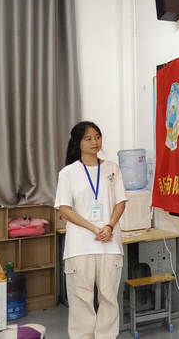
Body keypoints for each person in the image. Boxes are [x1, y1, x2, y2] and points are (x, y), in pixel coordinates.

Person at [55, 121, 127, 339]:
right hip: (80, 246)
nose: (95, 142)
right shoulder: (68, 173)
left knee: (109, 297)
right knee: (80, 299)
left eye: (97, 136)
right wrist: (94, 228)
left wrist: (109, 226)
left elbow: (120, 202)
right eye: (88, 138)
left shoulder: (112, 168)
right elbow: (64, 209)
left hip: (110, 243)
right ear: (77, 143)